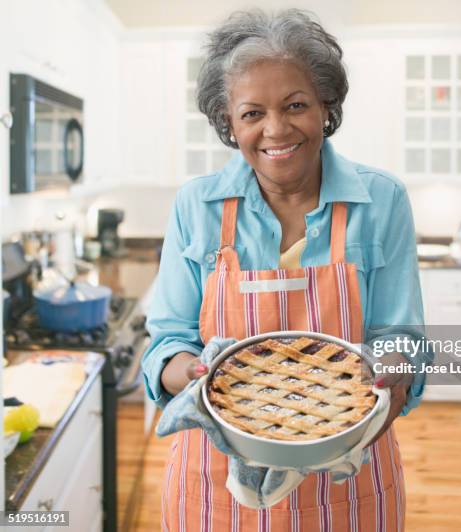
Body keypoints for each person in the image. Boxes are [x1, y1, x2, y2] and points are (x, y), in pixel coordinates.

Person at [142, 8, 428, 531]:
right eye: (252, 113)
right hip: (215, 481)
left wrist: (393, 370)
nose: (276, 130)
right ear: (228, 122)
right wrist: (195, 373)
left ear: (325, 108)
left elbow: (400, 335)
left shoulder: (380, 201)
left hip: (348, 473)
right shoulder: (197, 206)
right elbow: (167, 341)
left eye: (295, 105)